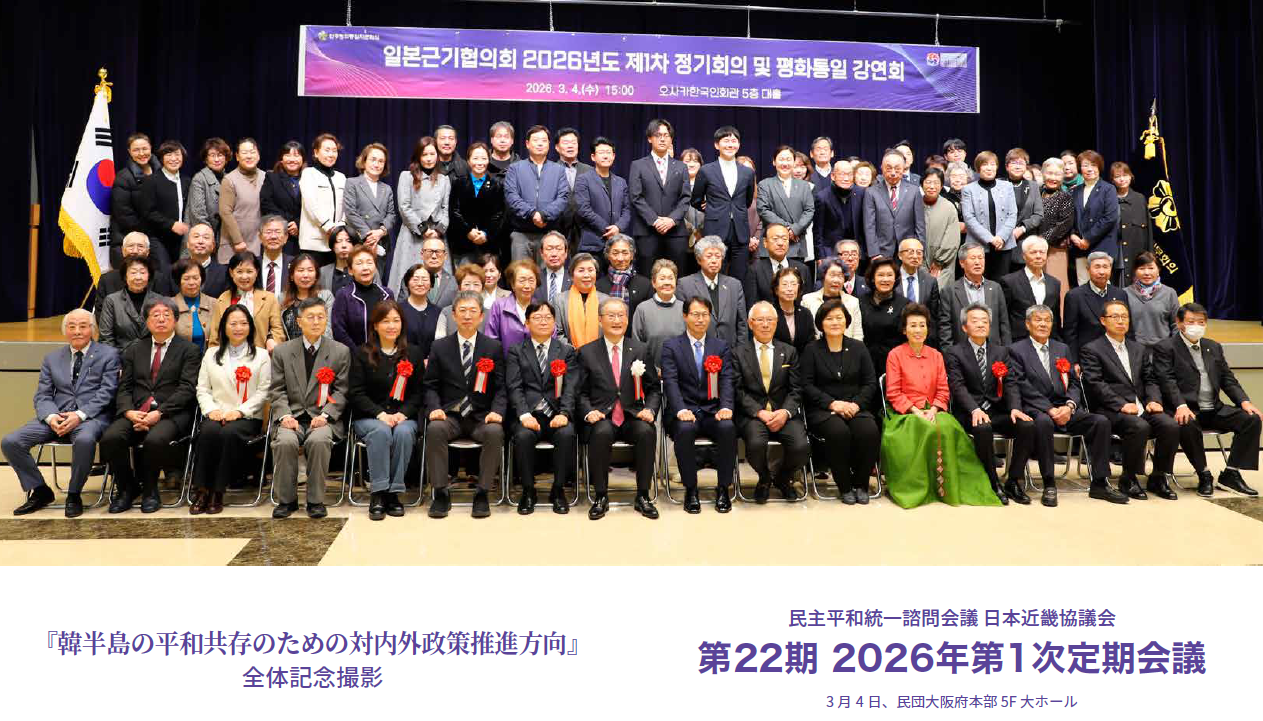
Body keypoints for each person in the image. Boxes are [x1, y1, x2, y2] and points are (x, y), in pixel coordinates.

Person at [882, 303, 1001, 508]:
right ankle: (919, 487)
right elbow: (893, 392)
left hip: (934, 409)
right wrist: (916, 411)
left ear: (928, 329)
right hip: (905, 412)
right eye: (913, 325)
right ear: (904, 330)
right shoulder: (895, 355)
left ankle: (951, 486)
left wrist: (934, 409)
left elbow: (944, 389)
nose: (918, 330)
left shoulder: (936, 355)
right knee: (924, 429)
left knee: (947, 428)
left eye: (922, 325)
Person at [4, 310, 119, 517]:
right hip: (57, 417)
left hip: (90, 417)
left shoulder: (109, 354)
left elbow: (107, 393)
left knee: (84, 440)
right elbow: (43, 395)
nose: (77, 331)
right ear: (65, 331)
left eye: (83, 326)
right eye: (71, 326)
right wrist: (51, 417)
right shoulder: (52, 358)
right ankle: (40, 490)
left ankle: (74, 494)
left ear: (93, 330)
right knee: (11, 442)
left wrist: (79, 415)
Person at [100, 298, 201, 514]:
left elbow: (187, 389)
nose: (161, 319)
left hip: (171, 413)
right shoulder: (134, 349)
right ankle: (127, 488)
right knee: (110, 438)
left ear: (175, 320)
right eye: (155, 315)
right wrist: (128, 411)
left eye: (166, 315)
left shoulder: (189, 350)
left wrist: (159, 413)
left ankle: (150, 490)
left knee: (155, 440)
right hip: (136, 411)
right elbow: (124, 387)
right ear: (146, 321)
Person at [1010, 304, 1115, 507]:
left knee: (1100, 422)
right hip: (1037, 408)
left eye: (1047, 320)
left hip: (1065, 407)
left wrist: (1069, 405)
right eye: (1038, 320)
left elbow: (1074, 382)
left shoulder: (1062, 348)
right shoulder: (1016, 350)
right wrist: (1049, 409)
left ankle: (1100, 482)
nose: (1043, 324)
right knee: (1043, 423)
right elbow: (1021, 384)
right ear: (1027, 324)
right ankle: (1049, 482)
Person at [1152, 302, 1261, 497]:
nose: (1197, 326)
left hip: (1214, 408)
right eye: (1191, 321)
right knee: (1186, 422)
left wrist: (1244, 401)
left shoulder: (1213, 347)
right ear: (1179, 323)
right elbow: (1167, 381)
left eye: (1201, 322)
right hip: (1186, 409)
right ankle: (1204, 474)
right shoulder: (1165, 347)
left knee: (1251, 419)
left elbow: (1227, 379)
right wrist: (1180, 405)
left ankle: (1231, 473)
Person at [1079, 299, 1180, 502]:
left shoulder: (1138, 348)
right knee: (1139, 426)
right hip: (1110, 409)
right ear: (1103, 320)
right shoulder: (1092, 349)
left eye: (1124, 317)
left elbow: (1149, 378)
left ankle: (1158, 476)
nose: (1121, 321)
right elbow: (1095, 384)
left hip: (1141, 406)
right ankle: (1128, 478)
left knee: (1170, 425)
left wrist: (1154, 399)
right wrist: (1121, 404)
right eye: (1115, 316)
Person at [423, 291, 507, 519]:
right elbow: (430, 385)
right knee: (435, 429)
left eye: (472, 311)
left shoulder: (493, 347)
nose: (467, 316)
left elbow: (501, 387)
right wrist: (434, 408)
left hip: (481, 416)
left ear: (481, 316)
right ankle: (441, 492)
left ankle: (482, 493)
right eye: (462, 311)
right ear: (453, 315)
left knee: (495, 431)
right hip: (450, 415)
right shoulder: (440, 347)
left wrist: (497, 411)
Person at [576, 297, 660, 519]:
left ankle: (643, 495)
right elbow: (579, 392)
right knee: (601, 433)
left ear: (627, 320)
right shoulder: (587, 352)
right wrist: (588, 411)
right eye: (611, 316)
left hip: (632, 414)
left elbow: (654, 388)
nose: (616, 320)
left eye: (621, 315)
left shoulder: (640, 349)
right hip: (602, 415)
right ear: (600, 320)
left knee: (646, 432)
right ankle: (600, 496)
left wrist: (650, 410)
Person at [944, 303, 1035, 505]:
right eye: (975, 321)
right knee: (982, 427)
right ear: (965, 327)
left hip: (997, 411)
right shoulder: (954, 352)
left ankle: (1013, 481)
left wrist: (1015, 408)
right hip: (969, 412)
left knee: (1027, 425)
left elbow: (1010, 383)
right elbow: (957, 386)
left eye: (984, 321)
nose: (980, 324)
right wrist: (974, 409)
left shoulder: (1001, 352)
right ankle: (993, 481)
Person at [268, 297, 351, 519]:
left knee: (319, 441)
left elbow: (342, 391)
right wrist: (284, 416)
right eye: (310, 317)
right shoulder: (283, 351)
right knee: (285, 442)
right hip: (291, 416)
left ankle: (315, 501)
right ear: (299, 321)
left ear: (326, 320)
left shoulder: (340, 351)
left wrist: (326, 415)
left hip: (322, 418)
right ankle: (287, 500)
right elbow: (277, 390)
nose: (316, 322)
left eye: (320, 317)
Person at [189, 304, 271, 515]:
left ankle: (217, 491)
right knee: (207, 432)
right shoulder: (211, 354)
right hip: (216, 413)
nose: (238, 328)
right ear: (224, 327)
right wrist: (211, 410)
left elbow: (264, 392)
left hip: (247, 417)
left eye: (243, 323)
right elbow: (202, 388)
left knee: (228, 433)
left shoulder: (261, 356)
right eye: (233, 323)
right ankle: (201, 490)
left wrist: (240, 412)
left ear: (250, 327)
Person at [797, 299, 880, 502]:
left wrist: (856, 404)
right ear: (821, 323)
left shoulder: (859, 348)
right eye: (829, 318)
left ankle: (861, 484)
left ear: (847, 321)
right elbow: (806, 385)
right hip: (823, 410)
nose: (835, 322)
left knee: (869, 431)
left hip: (855, 407)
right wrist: (832, 403)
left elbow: (870, 383)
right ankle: (845, 486)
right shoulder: (811, 350)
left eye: (839, 318)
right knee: (838, 432)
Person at [347, 300, 423, 521]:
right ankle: (378, 493)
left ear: (402, 324)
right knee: (380, 432)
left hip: (403, 416)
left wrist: (402, 414)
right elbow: (356, 393)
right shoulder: (362, 353)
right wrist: (380, 414)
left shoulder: (414, 353)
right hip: (370, 417)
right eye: (385, 321)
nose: (391, 326)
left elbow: (419, 393)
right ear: (375, 325)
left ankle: (394, 493)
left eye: (396, 321)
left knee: (403, 433)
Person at [660, 296, 736, 513]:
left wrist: (726, 406)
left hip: (714, 411)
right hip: (685, 411)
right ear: (685, 316)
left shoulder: (720, 346)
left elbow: (727, 379)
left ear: (710, 318)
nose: (700, 319)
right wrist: (680, 409)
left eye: (704, 315)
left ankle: (723, 488)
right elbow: (670, 382)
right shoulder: (671, 346)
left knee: (728, 428)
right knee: (684, 430)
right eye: (695, 314)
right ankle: (691, 489)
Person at [732, 300, 812, 502]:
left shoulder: (789, 351)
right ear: (750, 323)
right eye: (760, 320)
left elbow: (796, 389)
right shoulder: (738, 353)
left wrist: (785, 412)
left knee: (801, 447)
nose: (765, 324)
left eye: (770, 320)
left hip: (783, 412)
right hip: (753, 415)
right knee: (755, 444)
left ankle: (783, 478)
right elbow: (737, 390)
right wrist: (759, 412)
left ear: (776, 323)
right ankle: (764, 478)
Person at [507, 300, 580, 515]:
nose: (543, 321)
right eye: (537, 317)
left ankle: (558, 490)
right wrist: (524, 414)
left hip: (557, 413)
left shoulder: (566, 351)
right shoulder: (516, 351)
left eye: (548, 317)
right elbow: (514, 386)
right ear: (527, 323)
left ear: (555, 322)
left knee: (566, 434)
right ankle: (528, 490)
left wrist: (565, 413)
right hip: (528, 414)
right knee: (523, 436)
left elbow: (571, 387)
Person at [690, 126, 757, 286]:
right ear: (716, 145)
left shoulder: (747, 173)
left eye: (734, 141)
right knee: (714, 275)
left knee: (739, 278)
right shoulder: (706, 171)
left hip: (740, 231)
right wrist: (711, 208)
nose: (730, 144)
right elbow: (696, 199)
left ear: (739, 145)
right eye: (726, 141)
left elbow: (747, 201)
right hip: (715, 230)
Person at [629, 119, 691, 276]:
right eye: (658, 135)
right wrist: (655, 220)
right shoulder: (638, 165)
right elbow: (636, 197)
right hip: (647, 232)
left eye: (666, 135)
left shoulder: (681, 167)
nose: (662, 139)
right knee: (646, 277)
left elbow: (685, 198)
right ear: (650, 138)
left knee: (677, 277)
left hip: (675, 232)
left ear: (671, 139)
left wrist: (671, 220)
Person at [504, 125, 570, 261]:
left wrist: (544, 215)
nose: (540, 144)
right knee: (521, 272)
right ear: (527, 144)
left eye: (544, 140)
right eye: (536, 140)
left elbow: (563, 198)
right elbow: (511, 196)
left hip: (550, 233)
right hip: (521, 233)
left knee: (547, 273)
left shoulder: (559, 170)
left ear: (549, 144)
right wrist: (532, 214)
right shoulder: (515, 168)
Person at [392, 137, 449, 289]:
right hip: (413, 234)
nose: (429, 158)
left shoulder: (444, 179)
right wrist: (423, 230)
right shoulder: (406, 176)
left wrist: (438, 231)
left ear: (437, 156)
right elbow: (404, 207)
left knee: (438, 280)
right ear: (418, 156)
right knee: (410, 278)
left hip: (436, 235)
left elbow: (446, 209)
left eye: (432, 154)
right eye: (424, 154)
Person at [677, 236, 749, 347]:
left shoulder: (734, 285)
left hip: (730, 350)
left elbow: (742, 323)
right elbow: (681, 322)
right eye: (709, 256)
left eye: (718, 256)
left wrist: (740, 351)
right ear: (699, 259)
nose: (714, 261)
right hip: (697, 349)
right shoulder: (685, 284)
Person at [208, 251, 284, 351]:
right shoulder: (223, 298)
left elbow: (277, 330)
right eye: (239, 271)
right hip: (228, 356)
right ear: (231, 273)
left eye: (249, 271)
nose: (244, 277)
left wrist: (272, 340)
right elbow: (215, 336)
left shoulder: (269, 298)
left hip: (260, 354)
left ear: (257, 272)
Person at [343, 142, 399, 279]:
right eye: (373, 159)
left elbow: (391, 215)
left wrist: (380, 232)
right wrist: (369, 236)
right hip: (359, 241)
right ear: (364, 161)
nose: (377, 164)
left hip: (381, 243)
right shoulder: (352, 183)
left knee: (376, 282)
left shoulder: (387, 189)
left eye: (381, 161)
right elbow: (350, 212)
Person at [961, 151, 1019, 280]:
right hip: (978, 244)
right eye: (985, 164)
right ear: (978, 168)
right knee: (978, 281)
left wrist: (1001, 237)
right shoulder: (968, 189)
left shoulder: (1007, 186)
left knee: (1002, 282)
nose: (989, 168)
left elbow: (1012, 214)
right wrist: (990, 239)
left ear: (997, 167)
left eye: (992, 164)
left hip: (1004, 244)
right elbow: (969, 218)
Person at [940, 243, 1011, 348]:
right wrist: (950, 354)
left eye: (981, 258)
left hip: (993, 351)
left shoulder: (995, 288)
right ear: (962, 263)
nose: (978, 262)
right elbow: (945, 328)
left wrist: (1006, 352)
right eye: (973, 258)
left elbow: (1004, 324)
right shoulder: (949, 291)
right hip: (961, 352)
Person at [1063, 251, 1129, 363]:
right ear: (1088, 269)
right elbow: (1070, 333)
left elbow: (1128, 327)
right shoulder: (1074, 296)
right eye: (1097, 267)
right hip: (1088, 357)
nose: (1101, 272)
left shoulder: (1120, 294)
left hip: (1118, 355)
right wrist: (1074, 362)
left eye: (1105, 267)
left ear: (1110, 269)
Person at [756, 146, 816, 269]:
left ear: (793, 162)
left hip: (797, 242)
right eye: (781, 159)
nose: (785, 163)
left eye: (788, 159)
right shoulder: (765, 184)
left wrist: (795, 229)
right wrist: (788, 229)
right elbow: (763, 210)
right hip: (773, 243)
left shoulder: (804, 186)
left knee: (795, 279)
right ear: (774, 162)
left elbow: (809, 210)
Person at [573, 136, 631, 262]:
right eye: (601, 152)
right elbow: (583, 209)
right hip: (593, 242)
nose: (605, 156)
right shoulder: (583, 180)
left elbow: (627, 210)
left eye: (608, 152)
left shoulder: (621, 182)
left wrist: (618, 227)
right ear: (593, 157)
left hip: (616, 244)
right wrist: (607, 228)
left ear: (613, 156)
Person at [448, 142, 504, 270]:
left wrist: (485, 233)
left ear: (488, 160)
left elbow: (499, 214)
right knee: (465, 279)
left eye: (483, 158)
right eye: (475, 158)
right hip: (463, 244)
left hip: (488, 244)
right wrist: (468, 231)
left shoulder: (497, 184)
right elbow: (454, 211)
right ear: (468, 161)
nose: (480, 162)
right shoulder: (458, 183)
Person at [862, 149, 926, 261]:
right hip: (881, 251)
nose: (893, 172)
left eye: (897, 168)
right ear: (882, 168)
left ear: (904, 168)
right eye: (888, 168)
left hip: (908, 251)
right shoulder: (871, 192)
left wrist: (919, 250)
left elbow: (920, 225)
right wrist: (874, 253)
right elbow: (869, 226)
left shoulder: (914, 191)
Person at [1068, 150, 1119, 287]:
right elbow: (1070, 217)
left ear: (1099, 168)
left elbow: (1110, 218)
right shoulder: (1075, 191)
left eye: (1093, 165)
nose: (1089, 169)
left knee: (1102, 286)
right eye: (1085, 165)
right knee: (1083, 286)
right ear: (1080, 169)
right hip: (1080, 247)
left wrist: (1088, 239)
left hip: (1102, 245)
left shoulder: (1108, 189)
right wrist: (1072, 235)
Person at [138, 139, 190, 272]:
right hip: (158, 238)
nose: (173, 159)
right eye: (168, 155)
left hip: (182, 239)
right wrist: (171, 224)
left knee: (182, 273)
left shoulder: (187, 181)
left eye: (177, 154)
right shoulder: (151, 181)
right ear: (161, 158)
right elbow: (147, 212)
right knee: (164, 273)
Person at [108, 133, 159, 267]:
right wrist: (153, 230)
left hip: (155, 238)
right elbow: (124, 215)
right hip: (129, 239)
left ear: (151, 148)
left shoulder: (162, 173)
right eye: (136, 150)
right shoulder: (123, 177)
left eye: (145, 148)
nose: (141, 153)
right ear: (129, 152)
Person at [1000, 236, 1063, 342]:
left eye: (1042, 252)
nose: (1038, 256)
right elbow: (1003, 318)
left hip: (1048, 341)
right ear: (1024, 256)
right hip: (1018, 342)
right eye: (1033, 252)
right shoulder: (1010, 282)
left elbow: (1055, 317)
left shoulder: (1054, 283)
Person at [298, 133, 347, 263]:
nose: (331, 154)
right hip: (314, 243)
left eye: (334, 151)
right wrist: (329, 227)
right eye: (327, 150)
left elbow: (346, 205)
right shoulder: (308, 174)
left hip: (336, 242)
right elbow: (311, 205)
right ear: (316, 152)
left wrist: (340, 227)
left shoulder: (341, 177)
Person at [858, 255, 910, 376]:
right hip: (864, 364)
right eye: (880, 275)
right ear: (872, 278)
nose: (885, 279)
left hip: (893, 365)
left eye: (889, 275)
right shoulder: (859, 302)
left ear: (895, 278)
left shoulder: (905, 305)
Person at [332, 244, 390, 349]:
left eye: (369, 262)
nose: (365, 268)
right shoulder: (344, 295)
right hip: (354, 355)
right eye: (359, 263)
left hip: (384, 354)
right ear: (350, 270)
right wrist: (358, 354)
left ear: (375, 267)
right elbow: (339, 331)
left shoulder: (386, 294)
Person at [99, 256, 163, 351]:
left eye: (142, 272)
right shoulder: (112, 301)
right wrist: (114, 359)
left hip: (152, 355)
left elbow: (164, 333)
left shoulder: (159, 300)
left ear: (149, 275)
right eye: (133, 272)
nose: (138, 277)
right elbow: (106, 338)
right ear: (125, 276)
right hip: (121, 356)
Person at [813, 161, 867, 272]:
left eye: (849, 174)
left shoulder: (862, 193)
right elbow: (818, 230)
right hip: (831, 252)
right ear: (833, 176)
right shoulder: (822, 197)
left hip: (856, 252)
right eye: (842, 174)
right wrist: (820, 256)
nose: (846, 178)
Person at [217, 138, 265, 262]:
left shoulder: (266, 177)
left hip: (258, 242)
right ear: (237, 157)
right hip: (235, 244)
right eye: (244, 153)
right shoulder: (229, 180)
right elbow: (225, 212)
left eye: (252, 152)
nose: (249, 156)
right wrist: (238, 240)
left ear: (258, 155)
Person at [632, 259, 686, 365]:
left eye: (671, 278)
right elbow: (637, 346)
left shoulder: (685, 309)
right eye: (662, 278)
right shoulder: (642, 309)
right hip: (651, 371)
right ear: (653, 283)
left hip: (681, 371)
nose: (667, 282)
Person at [1037, 157, 1075, 306]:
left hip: (1055, 250)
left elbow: (1064, 225)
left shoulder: (1065, 197)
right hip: (1034, 250)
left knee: (1057, 290)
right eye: (1049, 173)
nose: (1053, 178)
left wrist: (1041, 241)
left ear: (1062, 177)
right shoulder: (1036, 193)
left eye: (1057, 174)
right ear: (1043, 174)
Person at [96, 232, 174, 305]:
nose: (135, 251)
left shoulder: (160, 279)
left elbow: (165, 309)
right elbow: (101, 311)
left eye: (140, 246)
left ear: (148, 252)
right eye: (131, 246)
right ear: (123, 251)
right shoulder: (107, 280)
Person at [747, 223, 810, 308]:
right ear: (765, 242)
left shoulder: (802, 269)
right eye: (775, 239)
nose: (780, 243)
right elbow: (752, 306)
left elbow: (807, 302)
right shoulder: (755, 270)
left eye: (784, 239)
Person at [893, 238, 942, 347]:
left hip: (923, 341)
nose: (915, 256)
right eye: (910, 252)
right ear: (900, 255)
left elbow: (934, 316)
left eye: (919, 252)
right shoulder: (892, 278)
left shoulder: (930, 281)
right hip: (895, 339)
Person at [1111, 161, 1154, 284]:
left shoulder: (1139, 198)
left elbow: (1148, 230)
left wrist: (1150, 254)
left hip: (1137, 253)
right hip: (1117, 254)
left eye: (1125, 175)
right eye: (1117, 176)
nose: (1122, 179)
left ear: (1131, 176)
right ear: (1112, 180)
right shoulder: (1109, 198)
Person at [800, 258, 863, 342]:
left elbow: (858, 335)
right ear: (823, 277)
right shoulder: (808, 300)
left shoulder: (853, 302)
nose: (836, 280)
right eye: (832, 275)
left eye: (840, 276)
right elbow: (805, 333)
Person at [260, 141, 305, 256]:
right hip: (279, 233)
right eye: (288, 155)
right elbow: (266, 204)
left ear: (303, 159)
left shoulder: (309, 178)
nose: (292, 159)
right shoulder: (272, 177)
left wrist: (298, 223)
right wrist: (288, 223)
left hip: (304, 235)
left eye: (296, 155)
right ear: (281, 159)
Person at [484, 258, 540, 351]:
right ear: (513, 284)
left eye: (531, 280)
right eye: (522, 280)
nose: (527, 286)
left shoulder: (541, 308)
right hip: (506, 359)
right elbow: (491, 341)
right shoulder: (499, 306)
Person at [1003, 148, 1045, 272]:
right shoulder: (999, 185)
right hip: (1002, 241)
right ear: (1007, 166)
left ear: (1026, 166)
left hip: (1025, 241)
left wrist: (1021, 229)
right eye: (1014, 163)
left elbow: (1038, 215)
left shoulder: (1033, 186)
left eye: (1021, 163)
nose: (1017, 166)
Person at [555, 253, 608, 348]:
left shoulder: (606, 301)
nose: (586, 275)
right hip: (569, 354)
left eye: (590, 270)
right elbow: (557, 333)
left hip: (600, 353)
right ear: (572, 275)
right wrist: (574, 351)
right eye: (581, 270)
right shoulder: (559, 300)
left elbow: (610, 331)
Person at [1125, 252, 1179, 345]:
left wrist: (1172, 347)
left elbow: (1176, 325)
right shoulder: (1125, 293)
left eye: (1151, 268)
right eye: (1142, 268)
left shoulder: (1170, 293)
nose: (1147, 273)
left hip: (1163, 349)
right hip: (1134, 349)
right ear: (1135, 271)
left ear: (1158, 270)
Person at [920, 168, 961, 291]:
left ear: (942, 185)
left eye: (936, 183)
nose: (932, 186)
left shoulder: (949, 207)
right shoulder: (915, 204)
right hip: (918, 262)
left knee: (940, 294)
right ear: (922, 184)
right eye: (928, 182)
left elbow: (952, 239)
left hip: (943, 264)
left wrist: (939, 262)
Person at [280, 253, 334, 341]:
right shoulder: (282, 298)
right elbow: (278, 329)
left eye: (310, 270)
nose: (305, 275)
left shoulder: (326, 296)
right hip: (289, 348)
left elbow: (328, 329)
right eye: (301, 270)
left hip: (320, 346)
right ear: (292, 276)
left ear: (316, 275)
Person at [595, 234, 652, 319]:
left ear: (632, 255)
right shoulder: (598, 286)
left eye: (625, 253)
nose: (620, 258)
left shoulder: (645, 285)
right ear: (608, 255)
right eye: (615, 253)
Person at [187, 137, 229, 243]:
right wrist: (210, 238)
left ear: (226, 158)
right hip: (202, 238)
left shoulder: (230, 178)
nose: (217, 159)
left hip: (224, 238)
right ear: (206, 159)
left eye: (220, 155)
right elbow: (198, 215)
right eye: (212, 155)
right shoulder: (199, 179)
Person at [172, 258, 215, 353]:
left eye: (195, 278)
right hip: (180, 359)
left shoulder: (214, 304)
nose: (191, 283)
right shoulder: (169, 305)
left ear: (201, 279)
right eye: (186, 279)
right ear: (178, 280)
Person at [398, 263, 440, 357]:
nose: (420, 283)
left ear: (431, 284)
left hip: (431, 363)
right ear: (407, 283)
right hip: (404, 362)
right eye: (415, 279)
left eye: (424, 279)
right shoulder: (398, 310)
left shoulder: (438, 312)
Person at [770, 266, 813, 355]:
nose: (790, 289)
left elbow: (810, 343)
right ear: (776, 289)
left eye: (794, 284)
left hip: (802, 361)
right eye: (785, 284)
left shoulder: (805, 313)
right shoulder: (769, 313)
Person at [257, 215, 295, 302]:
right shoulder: (252, 264)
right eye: (268, 232)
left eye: (278, 232)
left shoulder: (295, 264)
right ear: (260, 237)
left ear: (286, 237)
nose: (273, 236)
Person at [185, 222, 228, 298]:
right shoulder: (175, 270)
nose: (200, 241)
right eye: (196, 236)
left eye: (206, 237)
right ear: (187, 244)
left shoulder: (225, 273)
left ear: (213, 245)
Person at [532, 230, 572, 305]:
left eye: (558, 249)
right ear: (542, 253)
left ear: (566, 253)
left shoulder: (574, 278)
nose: (554, 254)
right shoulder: (534, 278)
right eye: (549, 249)